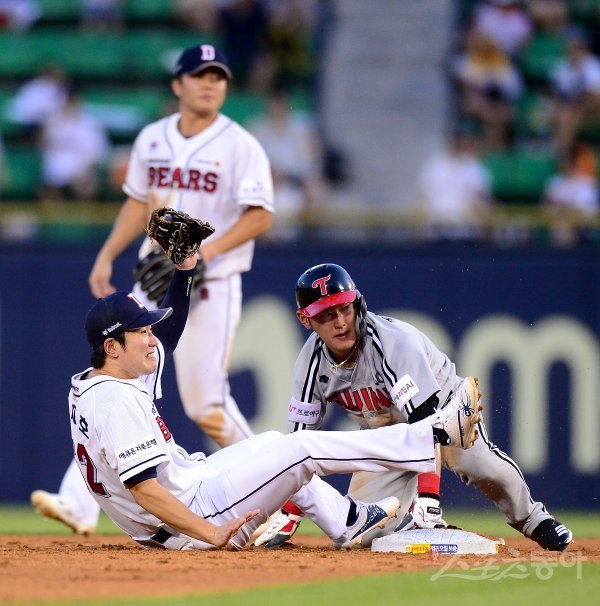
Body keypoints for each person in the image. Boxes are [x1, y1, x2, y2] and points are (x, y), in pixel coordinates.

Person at [59, 250, 481, 551]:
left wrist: (184, 272)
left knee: (275, 443)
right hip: (190, 520)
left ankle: (347, 521)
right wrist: (210, 534)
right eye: (142, 333)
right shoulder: (115, 400)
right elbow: (145, 491)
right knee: (301, 449)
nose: (153, 340)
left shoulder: (102, 378)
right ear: (112, 347)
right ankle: (433, 432)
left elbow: (168, 334)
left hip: (191, 490)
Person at [31, 42, 275, 534]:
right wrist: (107, 252)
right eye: (200, 75)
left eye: (219, 77)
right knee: (118, 381)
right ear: (178, 84)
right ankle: (80, 502)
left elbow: (261, 215)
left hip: (213, 281)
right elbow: (137, 203)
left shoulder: (240, 144)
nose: (210, 84)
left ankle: (279, 495)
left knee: (206, 407)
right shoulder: (152, 138)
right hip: (153, 275)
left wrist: (205, 254)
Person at [253, 263, 573, 552]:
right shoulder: (310, 364)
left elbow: (426, 427)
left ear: (358, 303)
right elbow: (298, 449)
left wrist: (429, 500)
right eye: (326, 315)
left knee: (483, 468)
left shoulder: (392, 343)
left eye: (345, 309)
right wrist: (290, 512)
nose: (340, 322)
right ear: (305, 320)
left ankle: (535, 520)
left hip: (446, 414)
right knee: (362, 532)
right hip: (387, 435)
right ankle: (424, 528)